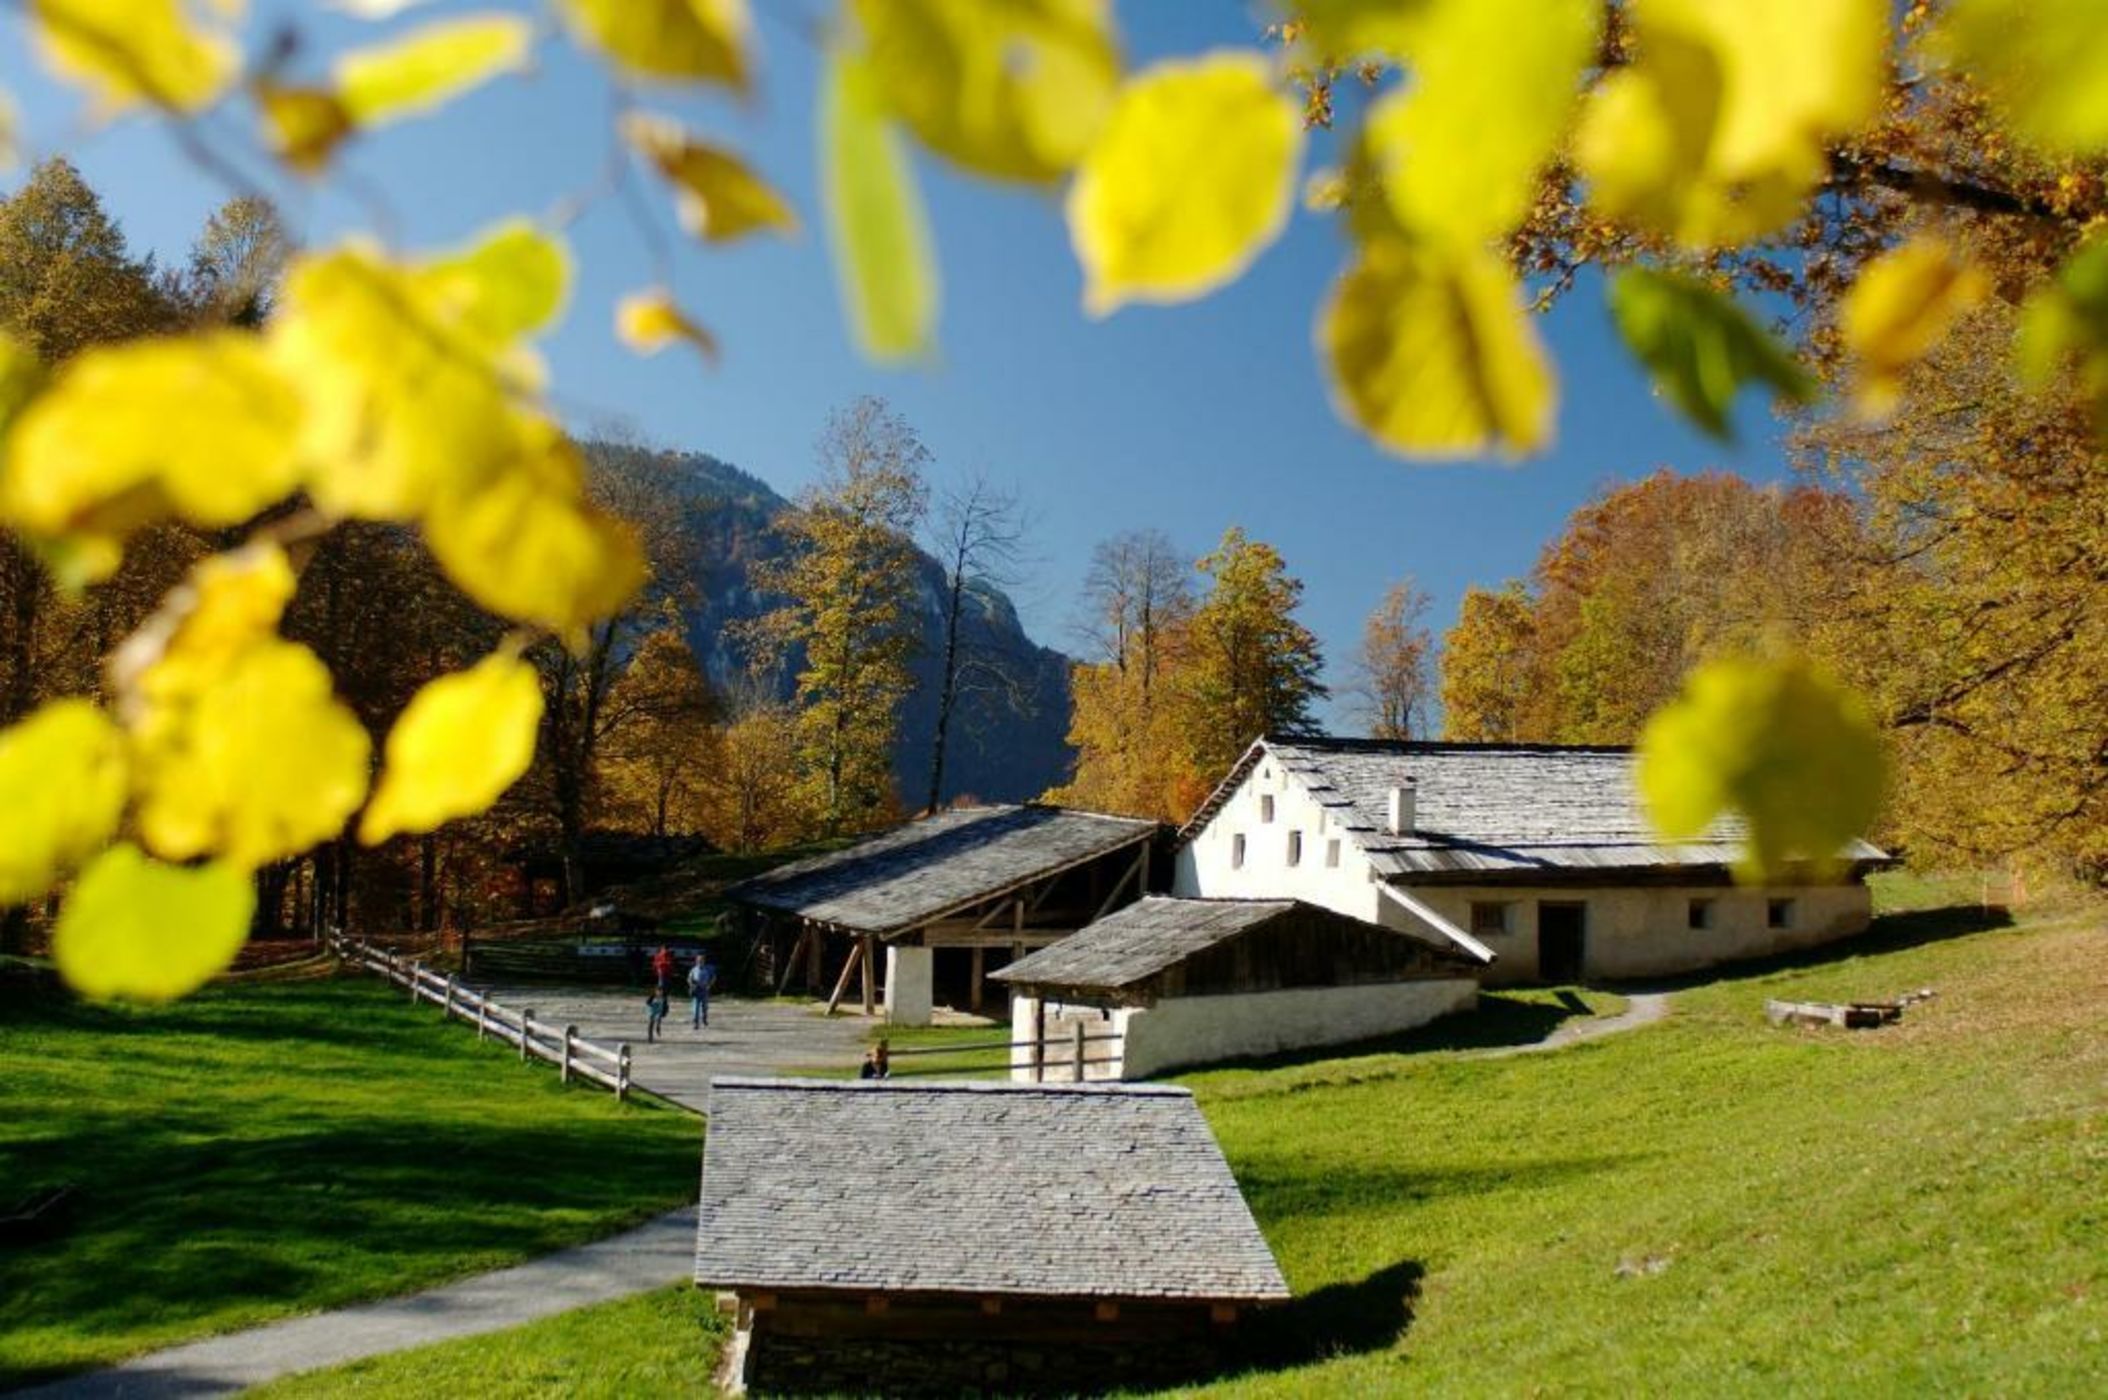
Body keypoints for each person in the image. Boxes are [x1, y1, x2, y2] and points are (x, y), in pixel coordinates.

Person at [687, 952, 715, 1030]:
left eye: (701, 960)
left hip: (705, 990)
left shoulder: (708, 969)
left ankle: (704, 1018)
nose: (699, 961)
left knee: (705, 1007)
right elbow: (689, 979)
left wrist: (709, 985)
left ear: (704, 961)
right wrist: (691, 985)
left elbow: (713, 977)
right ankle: (696, 1023)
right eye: (698, 960)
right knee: (696, 1007)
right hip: (696, 990)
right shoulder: (694, 969)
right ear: (696, 961)